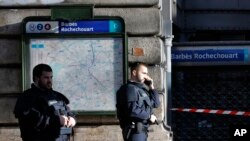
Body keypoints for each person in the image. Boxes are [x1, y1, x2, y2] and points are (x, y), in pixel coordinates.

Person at [14, 64, 76, 141]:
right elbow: (32, 120)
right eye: (46, 77)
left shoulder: (57, 96)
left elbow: (68, 112)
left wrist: (72, 119)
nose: (49, 80)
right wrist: (57, 120)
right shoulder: (26, 97)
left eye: (51, 77)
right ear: (37, 78)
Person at [116, 62, 160, 141]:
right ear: (134, 72)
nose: (146, 76)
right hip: (134, 131)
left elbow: (156, 103)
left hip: (142, 132)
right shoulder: (129, 89)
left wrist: (151, 87)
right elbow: (133, 110)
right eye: (143, 73)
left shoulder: (142, 90)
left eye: (146, 74)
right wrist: (149, 116)